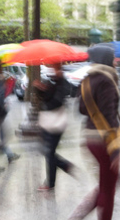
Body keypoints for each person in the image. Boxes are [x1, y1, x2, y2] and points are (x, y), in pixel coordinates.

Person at [70, 46, 120, 220]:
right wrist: (116, 151)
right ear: (107, 59)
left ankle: (77, 215)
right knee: (108, 189)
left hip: (90, 138)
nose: (115, 61)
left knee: (105, 184)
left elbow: (82, 109)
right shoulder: (107, 80)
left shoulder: (87, 80)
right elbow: (110, 116)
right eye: (113, 58)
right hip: (105, 140)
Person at [35, 62, 74, 191]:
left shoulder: (62, 83)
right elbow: (46, 97)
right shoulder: (54, 81)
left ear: (59, 69)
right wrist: (39, 89)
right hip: (49, 122)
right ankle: (64, 165)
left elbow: (56, 102)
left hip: (56, 123)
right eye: (53, 68)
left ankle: (50, 183)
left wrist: (45, 101)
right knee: (48, 152)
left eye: (55, 68)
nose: (53, 71)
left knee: (49, 152)